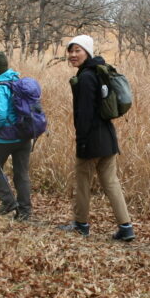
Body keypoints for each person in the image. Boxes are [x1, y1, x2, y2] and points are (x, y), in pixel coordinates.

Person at [60, 34, 134, 240]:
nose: (73, 55)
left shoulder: (85, 77)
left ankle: (81, 224)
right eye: (71, 51)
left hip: (91, 139)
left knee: (83, 181)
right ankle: (126, 227)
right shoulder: (98, 72)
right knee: (111, 181)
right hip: (108, 138)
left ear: (87, 52)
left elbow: (84, 113)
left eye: (78, 51)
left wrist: (81, 140)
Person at [0, 51, 32, 220]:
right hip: (24, 135)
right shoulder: (17, 80)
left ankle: (9, 202)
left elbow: (1, 115)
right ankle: (25, 210)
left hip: (5, 137)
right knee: (21, 173)